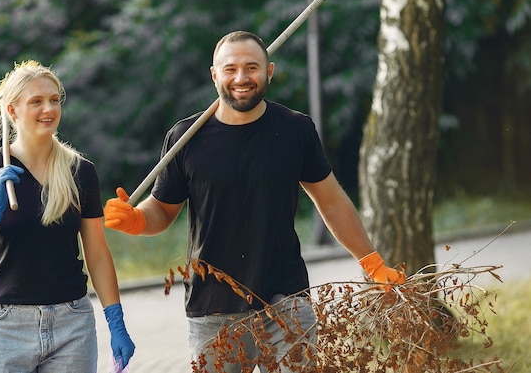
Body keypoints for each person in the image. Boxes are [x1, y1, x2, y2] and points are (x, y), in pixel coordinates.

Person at [103, 31, 405, 372]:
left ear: (269, 71)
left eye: (252, 67)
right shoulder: (185, 138)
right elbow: (161, 209)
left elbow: (332, 201)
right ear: (214, 74)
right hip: (213, 307)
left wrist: (372, 262)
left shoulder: (295, 129)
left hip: (286, 297)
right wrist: (137, 220)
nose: (241, 78)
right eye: (230, 69)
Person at [0, 60, 135, 373]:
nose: (48, 109)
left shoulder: (81, 171)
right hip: (6, 327)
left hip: (73, 325)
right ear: (12, 111)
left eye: (54, 100)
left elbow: (96, 252)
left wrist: (115, 321)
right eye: (36, 102)